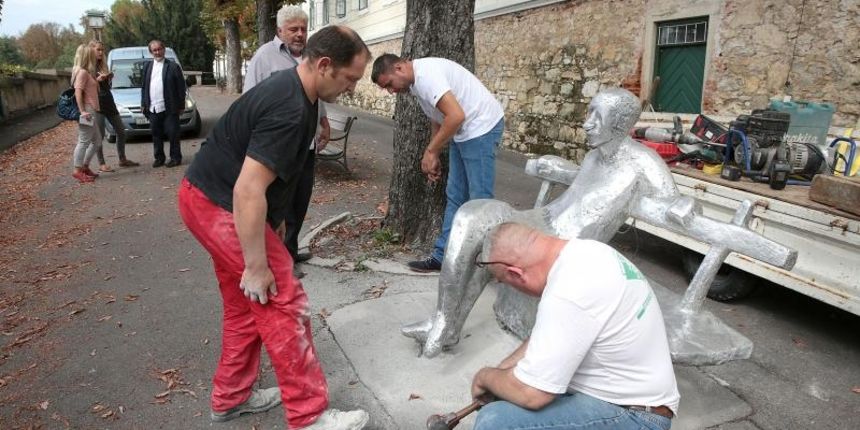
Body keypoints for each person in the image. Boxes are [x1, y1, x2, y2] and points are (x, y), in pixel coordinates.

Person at [178, 25, 371, 429]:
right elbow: (248, 190)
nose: (352, 88)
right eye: (351, 78)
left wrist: (275, 222)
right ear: (323, 65)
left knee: (246, 304)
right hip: (221, 204)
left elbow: (273, 177)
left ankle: (231, 397)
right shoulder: (289, 107)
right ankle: (309, 416)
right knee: (285, 302)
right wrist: (257, 263)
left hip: (205, 196)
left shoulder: (299, 93)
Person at [401, 88, 681, 358]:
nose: (586, 124)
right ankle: (443, 322)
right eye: (589, 113)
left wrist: (685, 207)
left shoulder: (644, 161)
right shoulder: (595, 155)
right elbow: (584, 182)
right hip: (541, 221)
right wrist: (557, 167)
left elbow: (673, 202)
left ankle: (447, 327)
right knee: (471, 215)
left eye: (597, 116)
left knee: (488, 243)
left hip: (563, 242)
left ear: (619, 123)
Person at [469, 222, 679, 430]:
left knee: (497, 420)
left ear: (516, 273)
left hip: (637, 417)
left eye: (504, 281)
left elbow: (531, 394)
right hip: (632, 398)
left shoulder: (567, 293)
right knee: (508, 390)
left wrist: (484, 377)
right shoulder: (585, 252)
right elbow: (542, 340)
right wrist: (502, 373)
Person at [371, 54, 505, 273]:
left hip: (481, 127)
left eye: (389, 85)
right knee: (455, 195)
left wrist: (431, 151)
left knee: (480, 200)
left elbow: (455, 116)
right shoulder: (416, 83)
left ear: (398, 68)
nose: (391, 91)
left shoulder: (426, 76)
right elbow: (439, 115)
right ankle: (442, 256)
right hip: (464, 131)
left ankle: (487, 264)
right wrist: (435, 153)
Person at [243, 5, 331, 266]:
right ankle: (276, 261)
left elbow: (318, 89)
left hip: (306, 146)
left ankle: (289, 253)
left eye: (303, 29)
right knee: (276, 205)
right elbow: (250, 101)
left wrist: (323, 121)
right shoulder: (264, 57)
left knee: (299, 202)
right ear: (280, 30)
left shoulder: (312, 57)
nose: (300, 34)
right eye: (293, 29)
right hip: (278, 149)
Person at [90, 40, 139, 170]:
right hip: (97, 105)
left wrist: (108, 78)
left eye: (102, 50)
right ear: (91, 50)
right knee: (99, 136)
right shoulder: (88, 67)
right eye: (98, 50)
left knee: (121, 131)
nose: (101, 52)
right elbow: (82, 87)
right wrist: (96, 80)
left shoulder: (102, 65)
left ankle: (122, 159)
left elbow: (105, 87)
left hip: (109, 102)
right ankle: (101, 164)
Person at [141, 39, 186, 168]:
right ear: (151, 52)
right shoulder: (147, 67)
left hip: (170, 107)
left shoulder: (172, 66)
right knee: (156, 134)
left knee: (173, 133)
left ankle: (175, 158)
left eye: (159, 49)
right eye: (154, 50)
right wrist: (143, 103)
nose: (157, 52)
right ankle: (159, 157)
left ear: (164, 49)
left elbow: (181, 87)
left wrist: (181, 105)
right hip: (153, 107)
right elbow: (144, 87)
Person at [70, 43, 103, 183]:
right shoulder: (82, 72)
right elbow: (78, 91)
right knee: (84, 141)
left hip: (91, 109)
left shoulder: (85, 71)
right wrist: (82, 111)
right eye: (91, 53)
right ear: (86, 55)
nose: (94, 55)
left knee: (97, 141)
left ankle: (84, 166)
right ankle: (78, 170)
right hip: (87, 111)